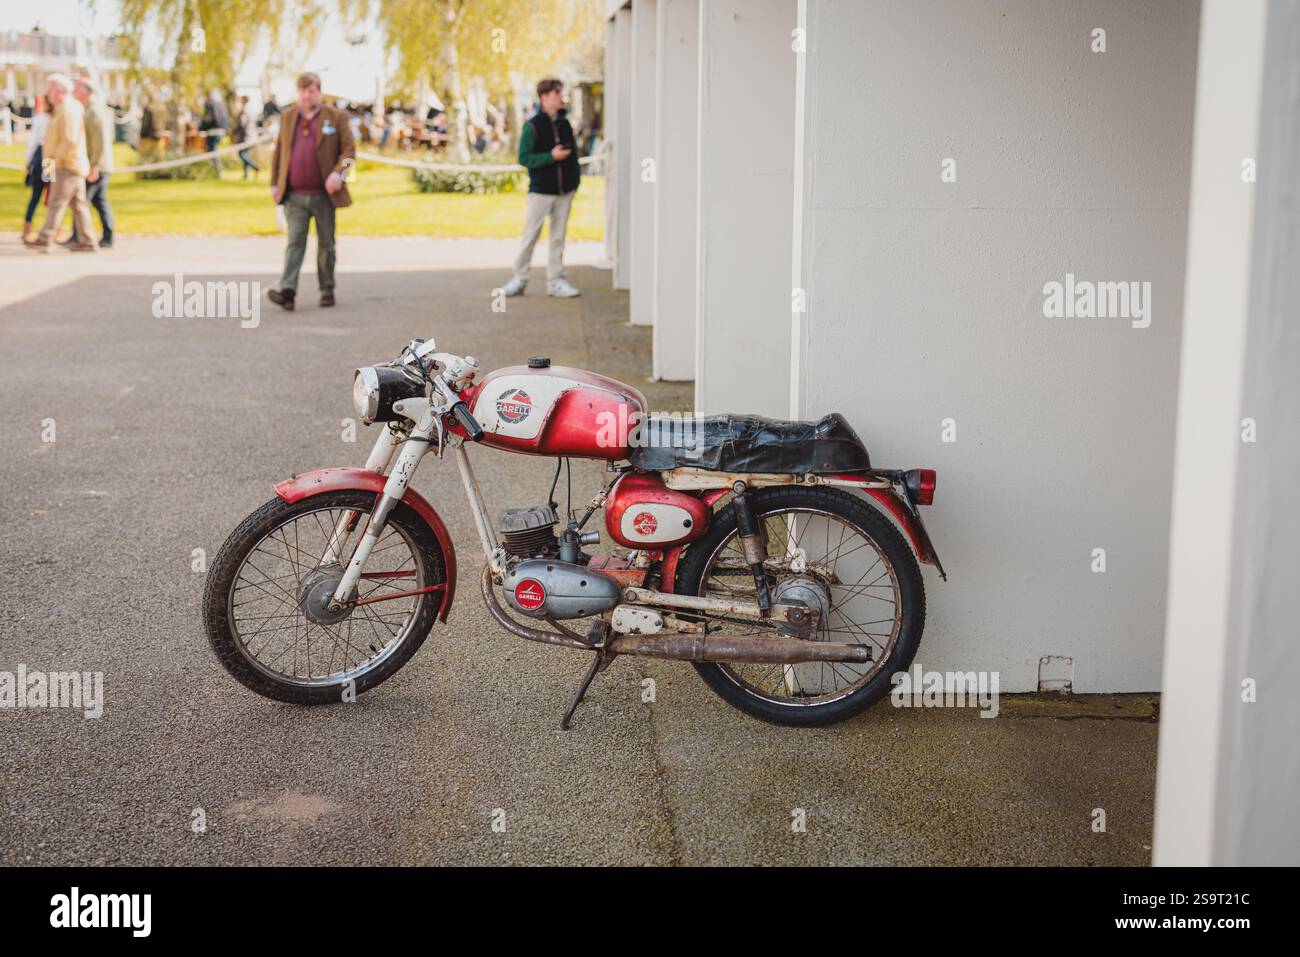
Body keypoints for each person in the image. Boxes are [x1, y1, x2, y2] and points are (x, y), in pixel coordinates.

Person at [267, 72, 355, 311]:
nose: (308, 95)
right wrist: (274, 183)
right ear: (299, 93)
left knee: (326, 244)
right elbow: (279, 152)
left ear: (319, 91)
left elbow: (349, 152)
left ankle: (327, 288)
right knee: (295, 241)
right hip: (294, 195)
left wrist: (339, 174)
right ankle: (288, 291)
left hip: (324, 195)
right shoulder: (287, 117)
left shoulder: (336, 117)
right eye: (304, 91)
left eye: (313, 90)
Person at [500, 78, 581, 298]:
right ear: (544, 97)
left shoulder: (565, 125)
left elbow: (573, 156)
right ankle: (519, 278)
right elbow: (524, 158)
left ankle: (556, 280)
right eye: (557, 94)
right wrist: (550, 157)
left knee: (558, 238)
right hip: (541, 192)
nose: (562, 97)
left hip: (565, 192)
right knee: (531, 235)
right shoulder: (532, 126)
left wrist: (574, 182)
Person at [23, 75, 95, 253]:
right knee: (78, 205)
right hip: (64, 163)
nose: (48, 93)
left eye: (51, 89)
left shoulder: (68, 109)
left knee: (56, 202)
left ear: (60, 91)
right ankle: (88, 240)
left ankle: (46, 237)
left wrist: (56, 162)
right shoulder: (62, 108)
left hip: (66, 165)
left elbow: (69, 140)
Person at [65, 77, 115, 249]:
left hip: (96, 166)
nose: (74, 90)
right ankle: (106, 236)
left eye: (77, 87)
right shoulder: (88, 110)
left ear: (86, 91)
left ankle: (80, 237)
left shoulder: (94, 112)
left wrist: (95, 166)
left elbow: (99, 142)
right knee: (98, 201)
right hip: (95, 165)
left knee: (81, 201)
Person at [20, 95, 50, 243]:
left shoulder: (42, 118)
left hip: (44, 158)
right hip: (47, 159)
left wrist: (28, 161)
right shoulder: (47, 118)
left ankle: (30, 228)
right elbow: (33, 141)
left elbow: (33, 141)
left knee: (40, 195)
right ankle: (49, 229)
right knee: (48, 195)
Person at [200, 89, 229, 173]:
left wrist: (202, 128)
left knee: (212, 151)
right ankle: (215, 170)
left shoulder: (209, 104)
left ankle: (217, 171)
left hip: (213, 131)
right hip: (221, 130)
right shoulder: (221, 104)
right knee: (213, 150)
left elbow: (208, 118)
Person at [233, 95, 260, 178]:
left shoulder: (244, 110)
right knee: (245, 154)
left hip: (245, 136)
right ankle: (245, 174)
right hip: (251, 135)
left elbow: (242, 124)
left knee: (241, 154)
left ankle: (255, 166)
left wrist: (234, 131)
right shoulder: (252, 110)